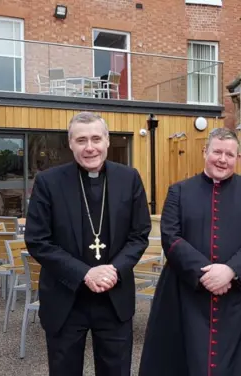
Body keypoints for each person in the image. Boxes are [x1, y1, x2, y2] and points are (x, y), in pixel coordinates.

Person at [139, 127, 241, 376]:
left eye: (229, 154)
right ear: (205, 152)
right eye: (217, 152)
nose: (223, 159)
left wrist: (230, 270)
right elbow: (171, 237)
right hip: (187, 293)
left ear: (237, 159)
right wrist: (205, 274)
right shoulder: (179, 191)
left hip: (239, 297)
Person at [24, 111, 152, 376]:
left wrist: (114, 270)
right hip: (65, 298)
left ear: (107, 141)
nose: (90, 147)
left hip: (114, 298)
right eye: (81, 140)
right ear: (70, 143)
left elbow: (139, 235)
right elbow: (37, 239)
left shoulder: (129, 178)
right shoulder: (49, 182)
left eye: (96, 138)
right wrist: (84, 273)